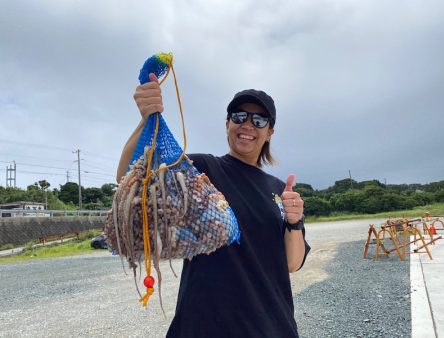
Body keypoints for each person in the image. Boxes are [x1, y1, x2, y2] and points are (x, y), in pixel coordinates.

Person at [116, 73, 311, 338]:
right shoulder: (204, 170)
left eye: (259, 120)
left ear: (270, 131)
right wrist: (145, 119)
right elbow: (129, 177)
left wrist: (294, 221)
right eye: (239, 116)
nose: (248, 125)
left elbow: (293, 263)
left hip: (273, 326)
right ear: (227, 123)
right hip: (204, 326)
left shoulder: (279, 189)